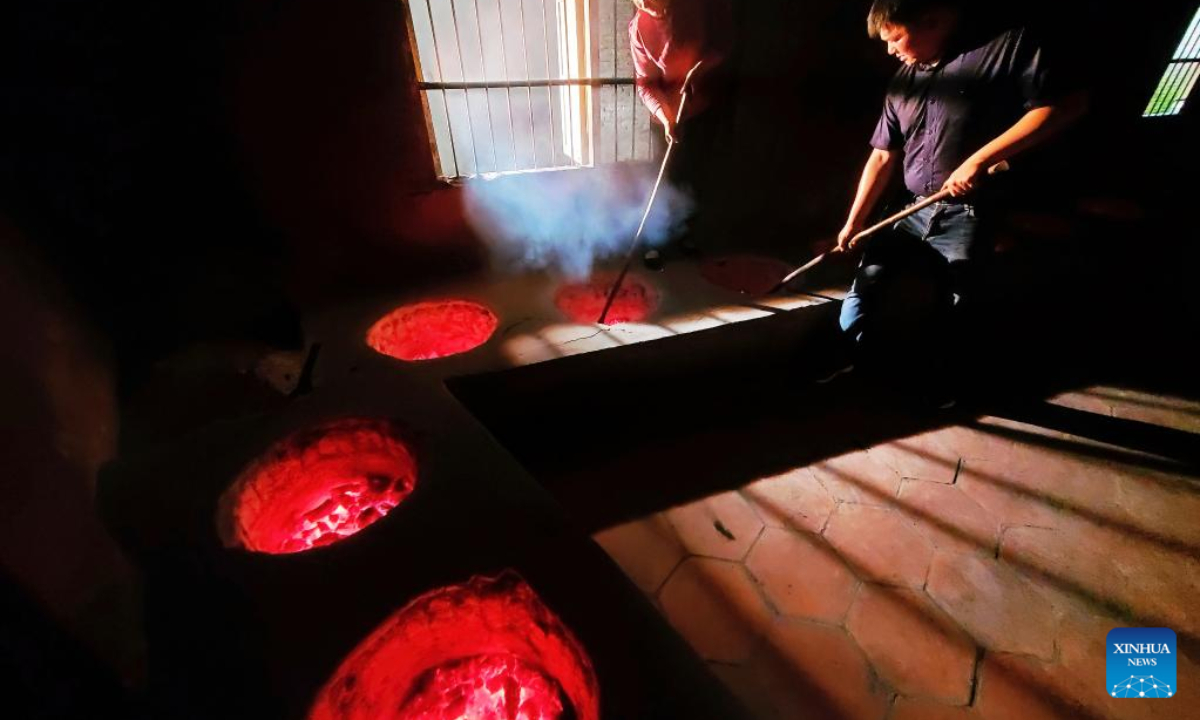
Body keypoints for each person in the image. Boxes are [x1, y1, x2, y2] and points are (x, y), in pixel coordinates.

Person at [831, 0, 1087, 405]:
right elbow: (882, 156)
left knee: (960, 302)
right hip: (910, 208)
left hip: (972, 212)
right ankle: (856, 364)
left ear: (934, 19)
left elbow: (1062, 106)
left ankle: (943, 388)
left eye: (896, 37)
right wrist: (853, 223)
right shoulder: (903, 80)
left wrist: (978, 161)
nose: (889, 49)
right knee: (867, 283)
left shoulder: (1005, 48)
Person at [629, 0, 734, 270]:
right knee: (662, 180)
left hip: (702, 108)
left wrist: (700, 69)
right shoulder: (639, 27)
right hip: (667, 115)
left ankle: (684, 237)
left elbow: (723, 44)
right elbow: (645, 83)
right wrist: (666, 118)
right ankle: (654, 244)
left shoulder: (694, 7)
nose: (644, 3)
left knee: (693, 175)